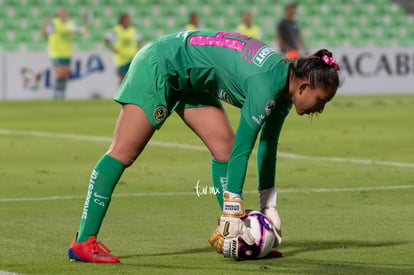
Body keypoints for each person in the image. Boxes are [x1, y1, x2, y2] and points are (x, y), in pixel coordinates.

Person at [67, 30, 340, 263]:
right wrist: (233, 209)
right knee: (124, 152)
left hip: (189, 78)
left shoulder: (284, 87)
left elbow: (268, 145)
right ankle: (84, 241)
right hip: (161, 64)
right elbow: (244, 150)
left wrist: (268, 204)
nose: (321, 108)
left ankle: (240, 235)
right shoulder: (265, 84)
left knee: (223, 146)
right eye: (322, 100)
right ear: (304, 86)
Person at [42, 7, 88, 99]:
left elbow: (81, 31)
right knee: (59, 74)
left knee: (64, 75)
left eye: (64, 13)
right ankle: (57, 95)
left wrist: (85, 21)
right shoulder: (54, 24)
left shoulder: (70, 24)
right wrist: (46, 23)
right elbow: (45, 34)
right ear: (58, 15)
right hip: (56, 52)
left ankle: (61, 95)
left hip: (67, 53)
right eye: (62, 13)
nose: (64, 15)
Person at [105, 13, 142, 84]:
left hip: (132, 57)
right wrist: (112, 49)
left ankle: (130, 93)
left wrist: (137, 48)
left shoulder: (133, 30)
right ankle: (122, 94)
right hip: (121, 58)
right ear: (122, 21)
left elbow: (139, 40)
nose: (128, 21)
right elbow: (106, 40)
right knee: (122, 78)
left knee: (132, 77)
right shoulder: (116, 29)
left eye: (129, 20)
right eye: (126, 19)